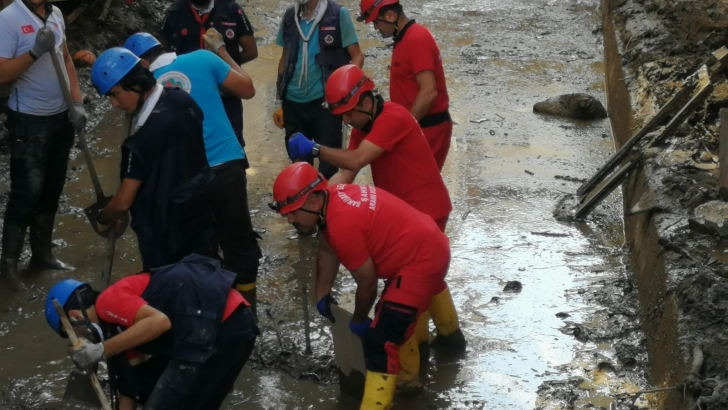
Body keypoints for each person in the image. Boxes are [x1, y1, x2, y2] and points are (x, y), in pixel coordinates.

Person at [288, 64, 465, 380]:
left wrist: (315, 149)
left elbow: (355, 160)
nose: (345, 121)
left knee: (404, 295)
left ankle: (413, 366)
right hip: (409, 214)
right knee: (428, 277)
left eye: (347, 113)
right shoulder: (362, 128)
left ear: (366, 102)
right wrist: (312, 195)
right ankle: (451, 340)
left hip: (426, 209)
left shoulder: (393, 118)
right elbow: (346, 175)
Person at [270, 162, 451, 408]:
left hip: (422, 262)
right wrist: (321, 294)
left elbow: (367, 283)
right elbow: (327, 245)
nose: (290, 219)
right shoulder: (332, 196)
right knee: (391, 320)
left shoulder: (343, 224)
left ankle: (399, 394)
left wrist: (358, 319)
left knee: (381, 341)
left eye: (292, 212)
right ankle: (431, 360)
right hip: (424, 245)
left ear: (313, 202)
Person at [123, 32, 262, 311]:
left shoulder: (141, 91)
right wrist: (220, 50)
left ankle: (209, 313)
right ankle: (247, 313)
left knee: (199, 249)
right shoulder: (202, 58)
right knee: (238, 245)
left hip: (187, 178)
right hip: (227, 165)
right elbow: (247, 89)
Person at [45, 254, 258, 410]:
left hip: (218, 325)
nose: (81, 339)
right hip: (237, 324)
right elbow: (131, 386)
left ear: (75, 316)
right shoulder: (119, 328)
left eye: (73, 334)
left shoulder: (108, 301)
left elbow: (159, 322)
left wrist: (100, 350)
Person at [90, 47, 213, 270]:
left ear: (136, 83)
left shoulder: (139, 143)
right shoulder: (182, 99)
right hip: (200, 218)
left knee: (165, 296)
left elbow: (123, 202)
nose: (114, 105)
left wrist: (104, 218)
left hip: (164, 238)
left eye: (115, 94)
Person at [0, 0, 87, 291]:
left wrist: (76, 102)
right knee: (26, 192)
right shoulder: (9, 18)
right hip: (29, 120)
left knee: (52, 187)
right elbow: (2, 73)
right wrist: (34, 51)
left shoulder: (56, 14)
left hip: (61, 117)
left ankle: (42, 254)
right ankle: (8, 267)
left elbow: (65, 59)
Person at [274, 0, 364, 179]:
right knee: (299, 162)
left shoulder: (338, 14)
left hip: (326, 103)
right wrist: (278, 101)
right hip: (293, 103)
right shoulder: (290, 16)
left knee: (329, 165)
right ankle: (305, 202)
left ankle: (329, 202)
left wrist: (346, 91)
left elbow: (357, 56)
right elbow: (285, 58)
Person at [358, 0, 452, 170]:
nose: (376, 28)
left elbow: (429, 92)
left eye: (376, 22)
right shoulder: (405, 38)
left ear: (390, 16)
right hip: (420, 126)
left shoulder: (416, 38)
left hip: (429, 129)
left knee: (419, 187)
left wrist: (404, 127)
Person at [159, 0, 257, 161]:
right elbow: (162, 57)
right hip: (188, 96)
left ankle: (232, 180)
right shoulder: (175, 12)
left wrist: (224, 70)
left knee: (231, 143)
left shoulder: (231, 10)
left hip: (226, 94)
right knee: (186, 147)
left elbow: (251, 51)